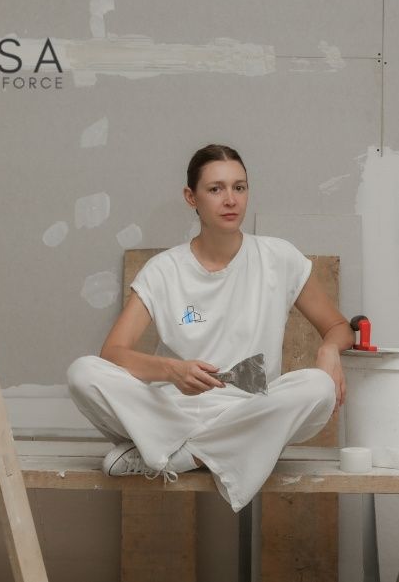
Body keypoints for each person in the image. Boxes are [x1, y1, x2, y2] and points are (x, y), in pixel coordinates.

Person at [66, 144, 354, 512]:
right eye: (216, 189)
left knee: (317, 386)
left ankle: (181, 457)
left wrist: (329, 350)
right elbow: (113, 353)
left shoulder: (278, 258)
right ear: (192, 197)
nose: (231, 199)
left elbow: (339, 326)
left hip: (251, 412)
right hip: (174, 411)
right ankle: (205, 449)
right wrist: (171, 370)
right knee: (82, 373)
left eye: (240, 187)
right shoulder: (164, 269)